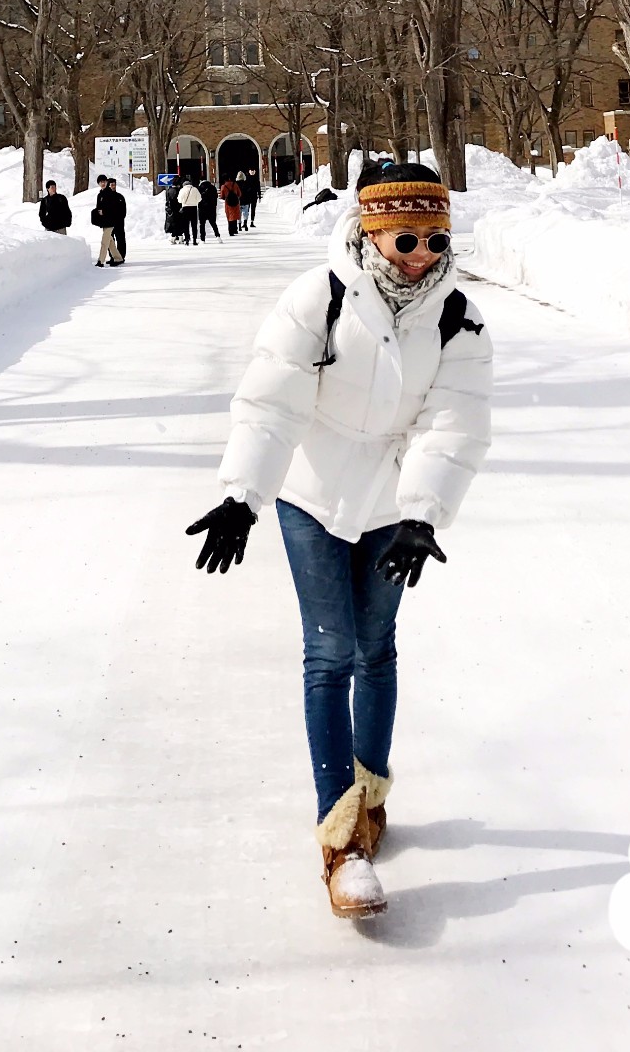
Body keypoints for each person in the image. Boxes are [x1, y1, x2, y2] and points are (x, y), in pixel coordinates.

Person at [184, 161, 493, 918]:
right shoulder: (316, 298)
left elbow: (455, 420)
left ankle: (372, 793)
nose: (421, 253)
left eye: (433, 237)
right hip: (311, 497)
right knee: (329, 652)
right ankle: (340, 838)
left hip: (391, 504)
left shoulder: (459, 317)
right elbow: (270, 403)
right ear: (370, 232)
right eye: (404, 238)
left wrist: (422, 511)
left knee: (375, 647)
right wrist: (241, 494)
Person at [89, 177, 126, 267]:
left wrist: (104, 211)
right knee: (110, 242)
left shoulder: (111, 194)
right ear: (98, 183)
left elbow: (114, 209)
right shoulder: (100, 195)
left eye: (104, 182)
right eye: (101, 182)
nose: (103, 183)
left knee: (104, 242)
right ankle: (118, 258)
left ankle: (100, 261)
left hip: (111, 221)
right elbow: (98, 208)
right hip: (104, 222)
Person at [176, 175, 202, 246]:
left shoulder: (182, 190)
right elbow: (200, 199)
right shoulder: (195, 189)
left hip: (185, 208)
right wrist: (194, 201)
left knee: (186, 225)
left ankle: (187, 239)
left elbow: (179, 200)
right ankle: (194, 240)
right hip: (193, 208)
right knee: (194, 225)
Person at [197, 175, 221, 243]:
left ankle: (203, 239)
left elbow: (198, 198)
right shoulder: (212, 187)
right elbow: (216, 197)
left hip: (202, 208)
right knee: (213, 223)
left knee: (202, 224)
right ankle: (218, 236)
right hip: (211, 208)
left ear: (200, 181)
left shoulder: (199, 188)